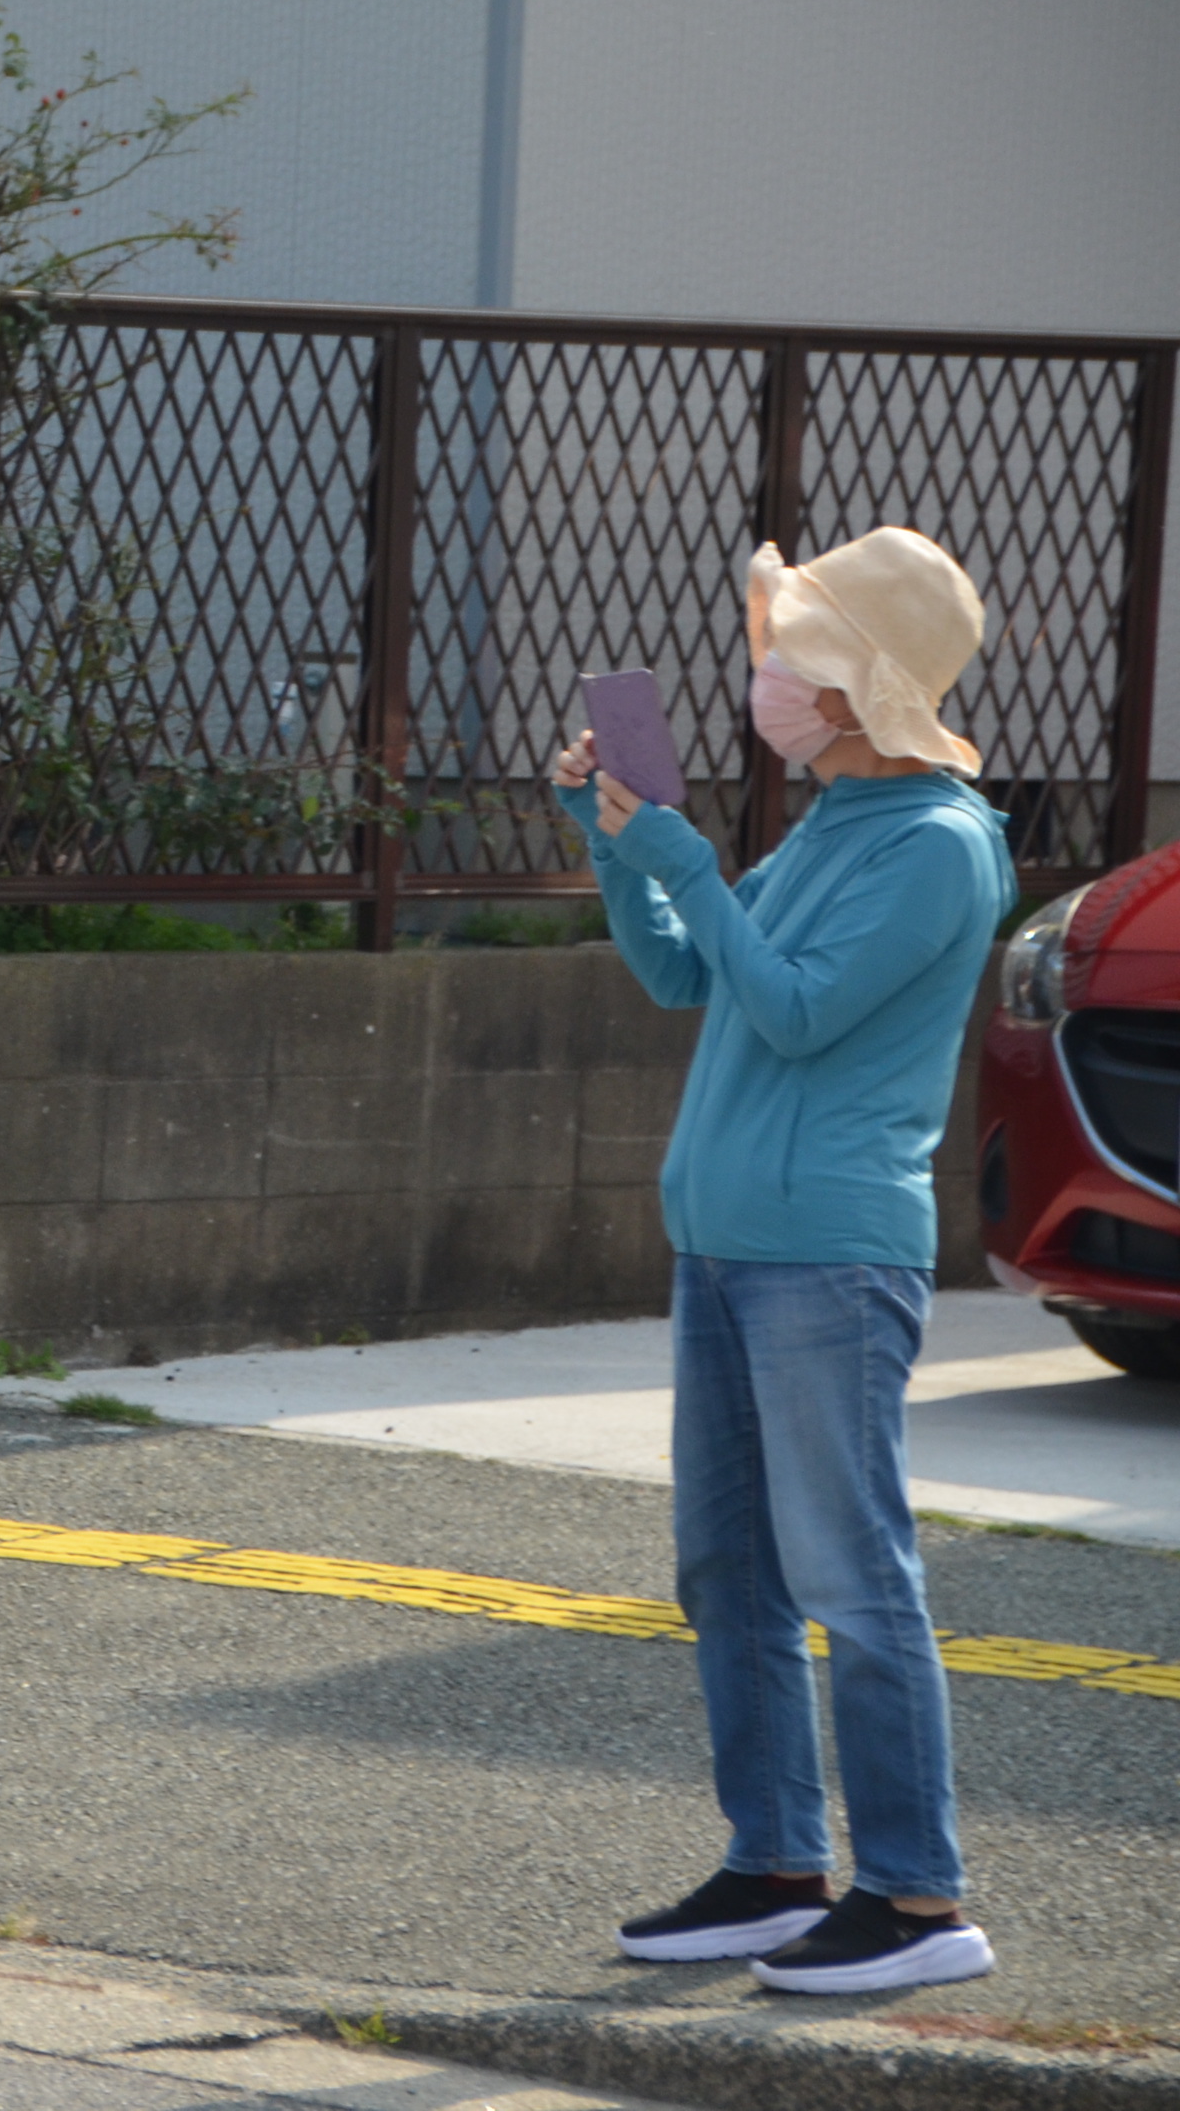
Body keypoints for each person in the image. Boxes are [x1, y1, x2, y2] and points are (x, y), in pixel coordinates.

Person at [556, 527, 1011, 1995]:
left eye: (796, 658)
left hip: (827, 1258)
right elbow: (694, 971)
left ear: (860, 687)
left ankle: (921, 1901)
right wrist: (621, 850)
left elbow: (801, 1012)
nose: (768, 679)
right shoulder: (829, 820)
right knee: (730, 1574)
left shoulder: (939, 845)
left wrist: (681, 851)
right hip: (732, 1245)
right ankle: (774, 1866)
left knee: (854, 1581)